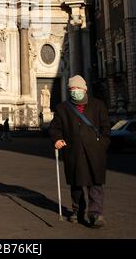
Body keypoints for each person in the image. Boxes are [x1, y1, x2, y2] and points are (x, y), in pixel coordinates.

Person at [49, 75, 111, 228]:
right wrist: (57, 139)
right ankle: (78, 211)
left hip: (95, 152)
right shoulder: (63, 108)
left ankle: (96, 214)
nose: (74, 91)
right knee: (76, 185)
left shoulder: (98, 105)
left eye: (77, 88)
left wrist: (102, 144)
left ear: (84, 89)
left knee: (95, 184)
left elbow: (106, 129)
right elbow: (54, 128)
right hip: (73, 152)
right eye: (71, 89)